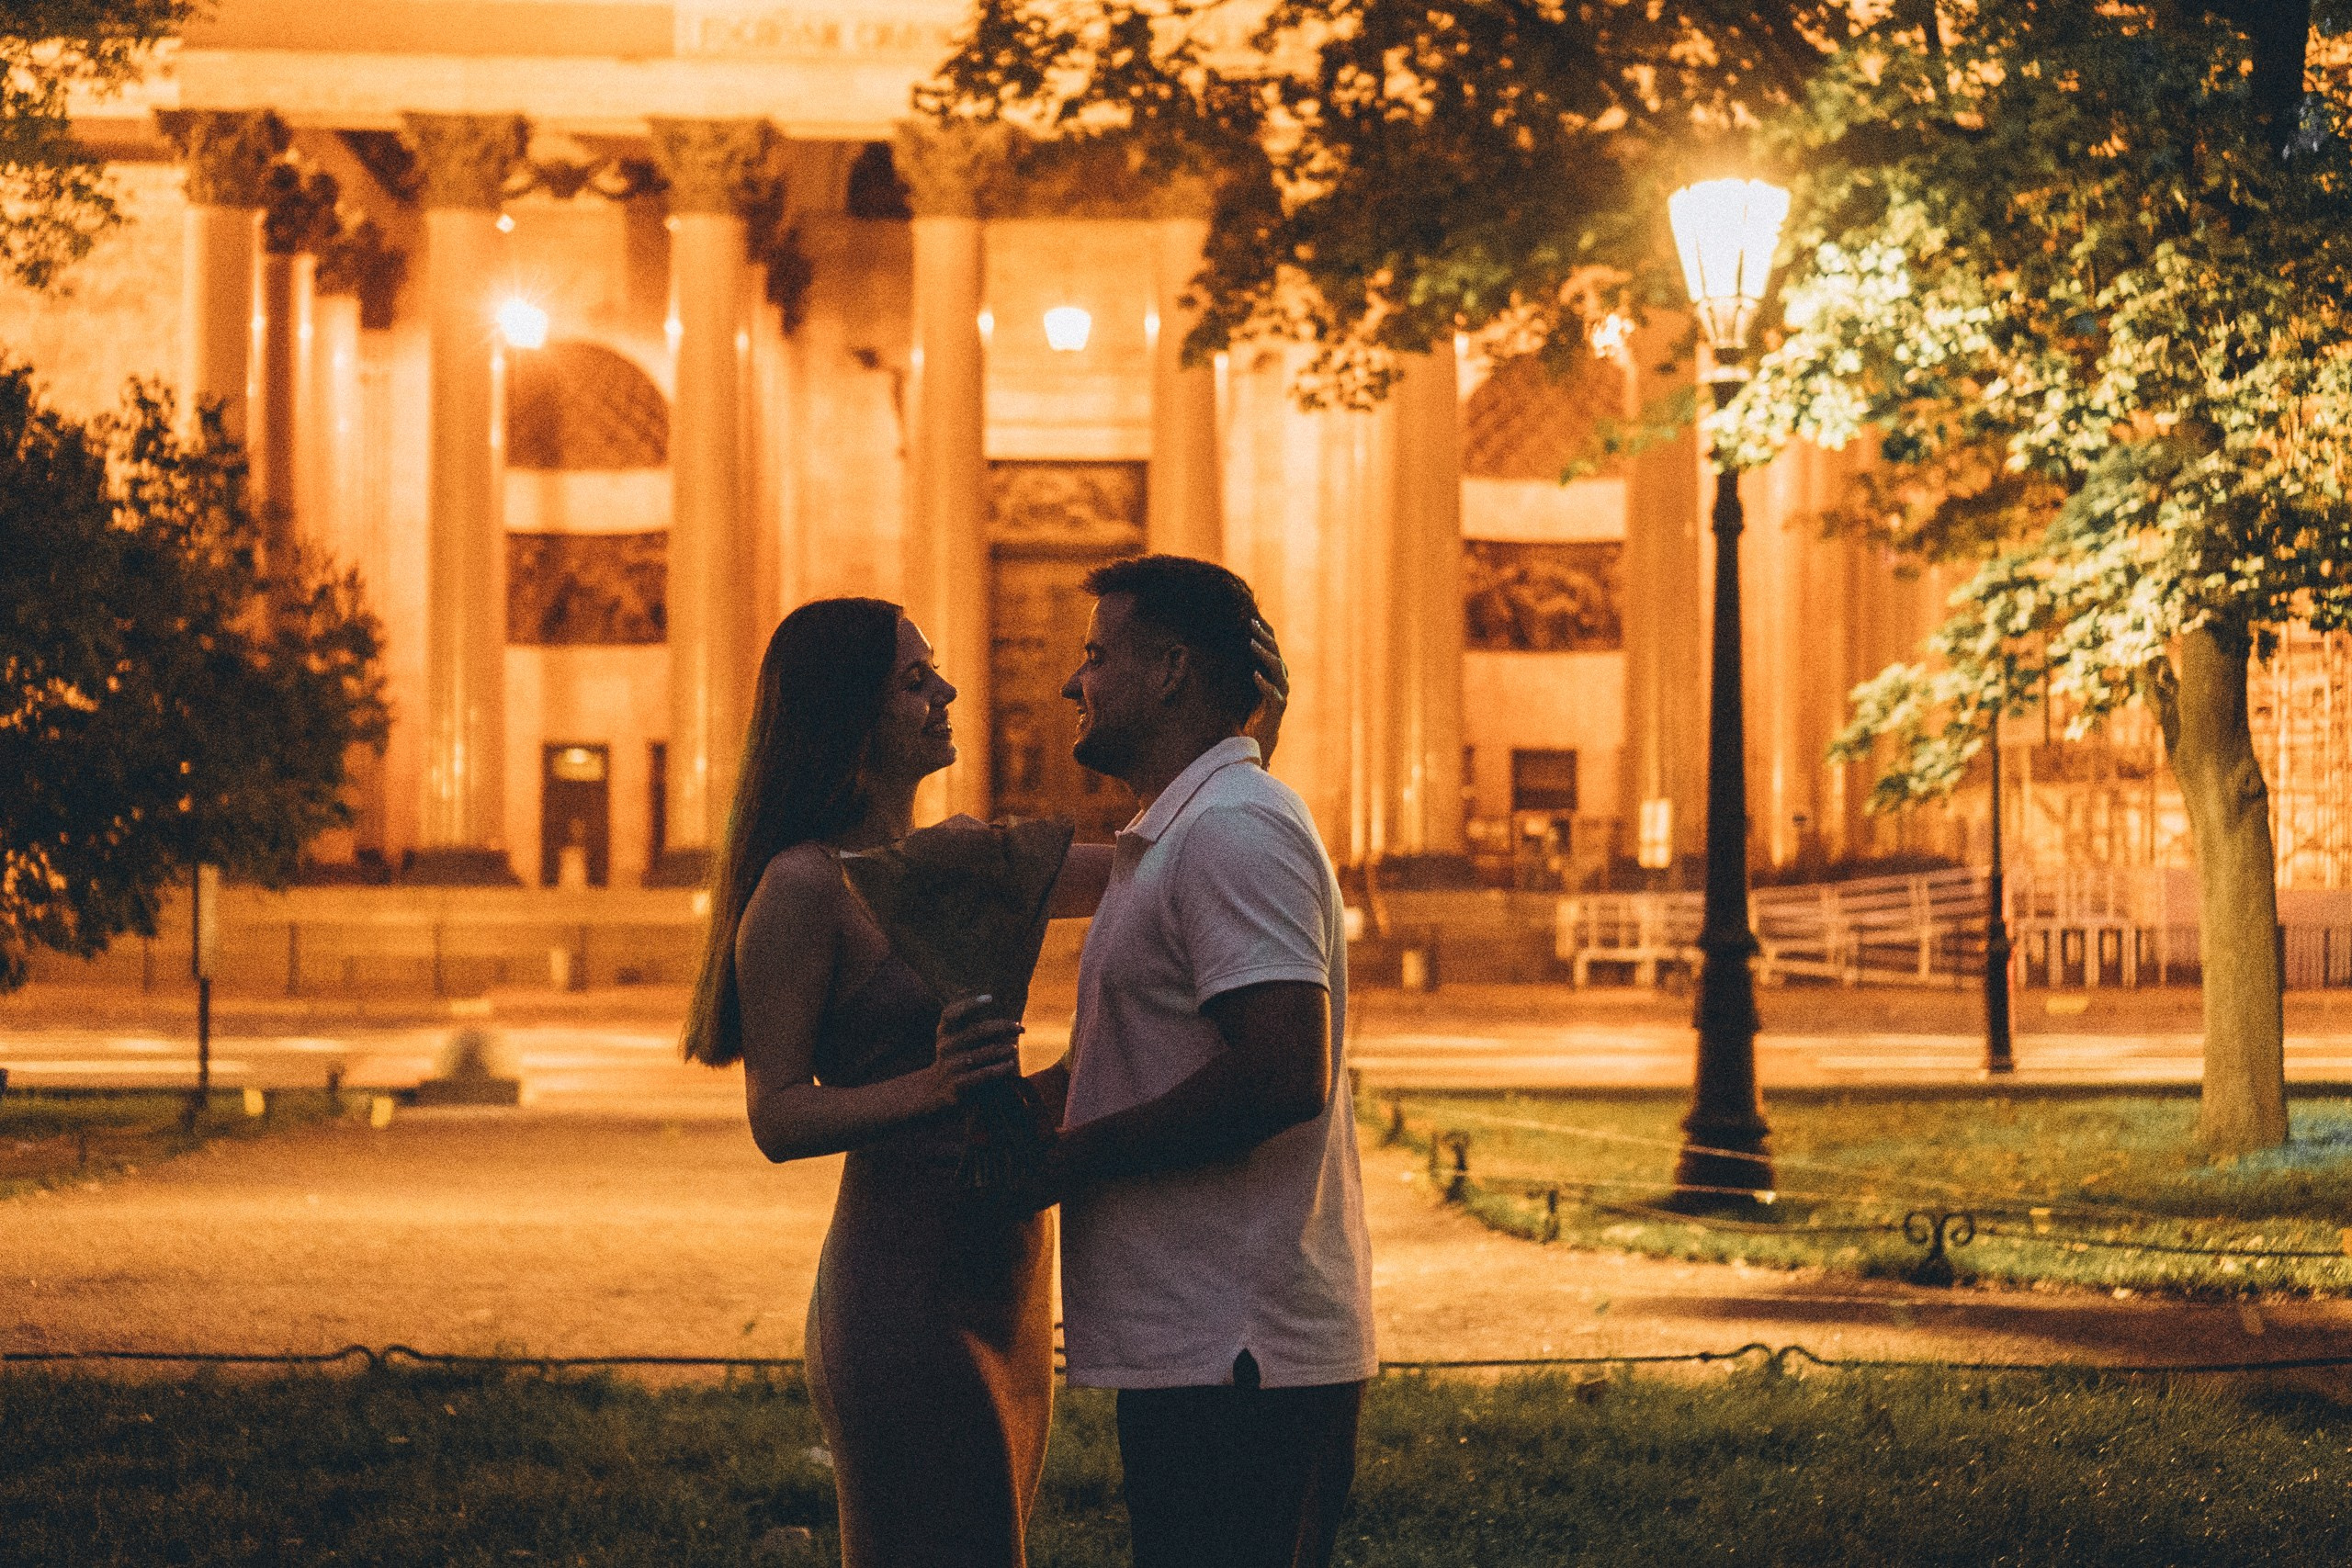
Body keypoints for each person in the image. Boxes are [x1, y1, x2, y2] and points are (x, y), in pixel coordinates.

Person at [681, 597, 1049, 1568]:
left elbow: (1151, 871)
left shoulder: (956, 857)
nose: (947, 691)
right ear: (848, 711)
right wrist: (935, 1087)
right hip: (905, 1282)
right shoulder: (803, 886)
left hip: (1004, 1269)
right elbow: (777, 1114)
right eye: (913, 679)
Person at [1023, 556, 1376, 1568]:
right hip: (1208, 1348)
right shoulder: (1188, 830)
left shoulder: (1233, 826)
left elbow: (1279, 1073)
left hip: (1245, 1356)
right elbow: (1145, 1055)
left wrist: (1068, 1159)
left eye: (1096, 654)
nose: (1070, 683)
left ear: (1172, 668)